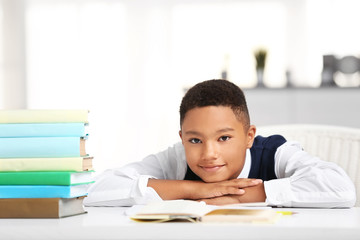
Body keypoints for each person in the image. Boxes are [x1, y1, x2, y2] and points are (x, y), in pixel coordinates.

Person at [84, 79, 356, 208]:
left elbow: (340, 188)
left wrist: (233, 197)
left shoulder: (276, 152)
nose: (209, 153)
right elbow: (94, 188)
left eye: (224, 138)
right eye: (195, 139)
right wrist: (197, 190)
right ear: (182, 138)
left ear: (249, 136)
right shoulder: (177, 158)